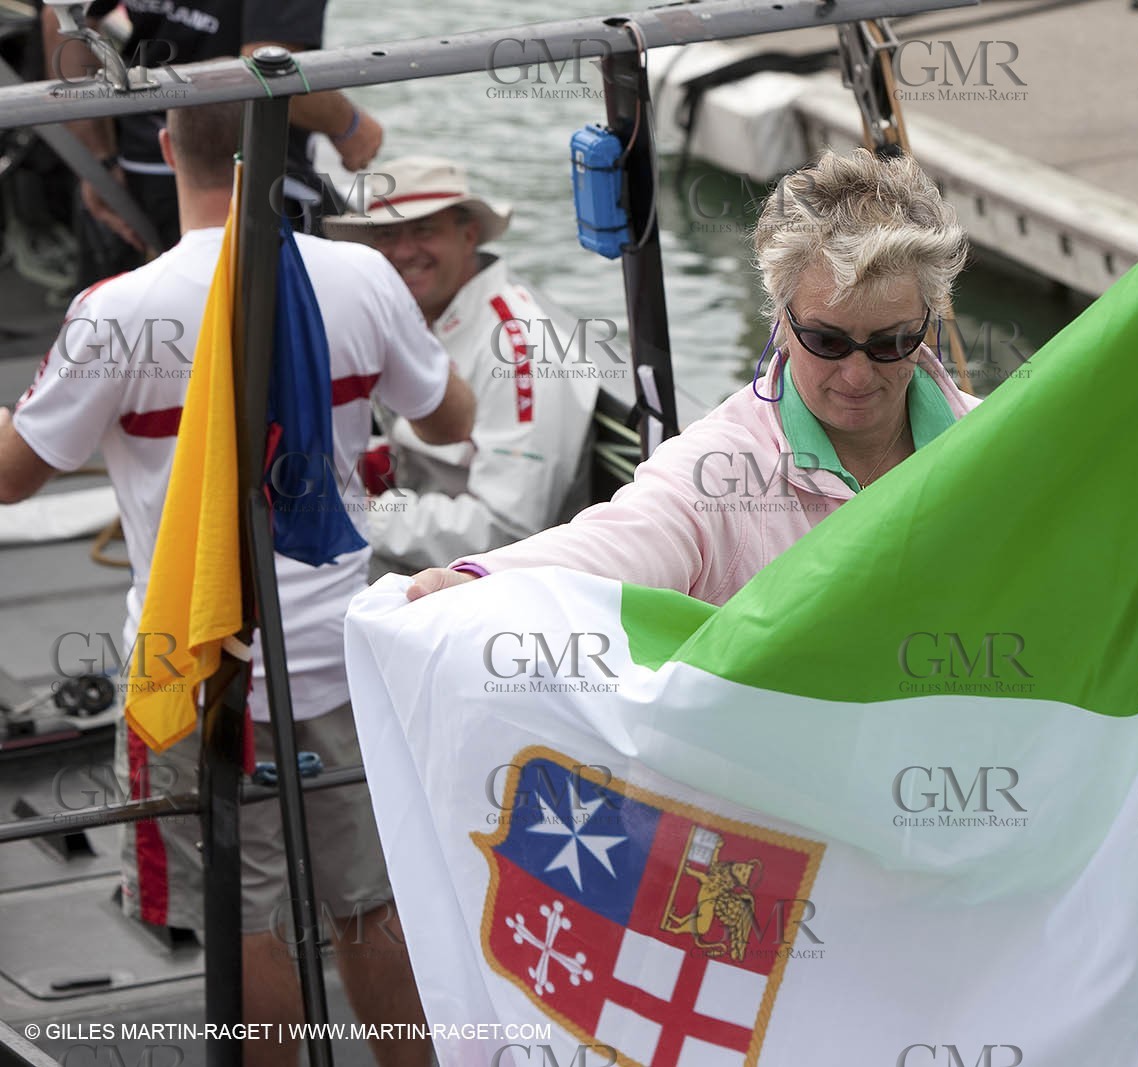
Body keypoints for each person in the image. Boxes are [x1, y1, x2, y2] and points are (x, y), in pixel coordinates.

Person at [0, 101, 473, 1067]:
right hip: (343, 661)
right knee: (371, 903)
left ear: (166, 147)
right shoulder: (361, 277)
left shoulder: (116, 311)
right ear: (283, 146)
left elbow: (12, 476)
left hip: (197, 666)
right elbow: (449, 419)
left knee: (245, 917)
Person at [405, 147, 976, 604]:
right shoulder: (719, 471)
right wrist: (485, 583)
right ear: (780, 319)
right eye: (826, 341)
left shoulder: (994, 441)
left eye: (891, 343)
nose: (856, 375)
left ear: (930, 320)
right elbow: (624, 539)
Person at [323, 157, 599, 571]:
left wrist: (356, 512)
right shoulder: (417, 318)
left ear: (469, 235)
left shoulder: (520, 349)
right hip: (434, 564)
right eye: (387, 235)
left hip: (493, 584)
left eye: (424, 230)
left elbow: (510, 529)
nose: (404, 251)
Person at [41, 0, 383, 275]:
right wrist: (351, 127)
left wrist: (98, 162)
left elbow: (62, 18)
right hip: (250, 175)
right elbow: (267, 65)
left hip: (141, 164)